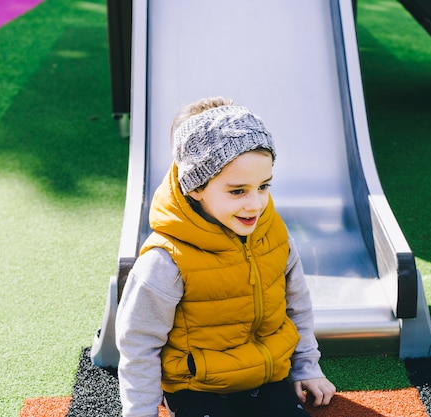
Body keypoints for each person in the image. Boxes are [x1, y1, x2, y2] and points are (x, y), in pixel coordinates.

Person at [115, 97, 336, 417]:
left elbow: (296, 305)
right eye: (237, 191)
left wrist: (307, 367)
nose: (255, 204)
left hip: (266, 377)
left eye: (263, 186)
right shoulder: (166, 260)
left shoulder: (275, 235)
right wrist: (140, 412)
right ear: (195, 188)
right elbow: (139, 344)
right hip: (198, 388)